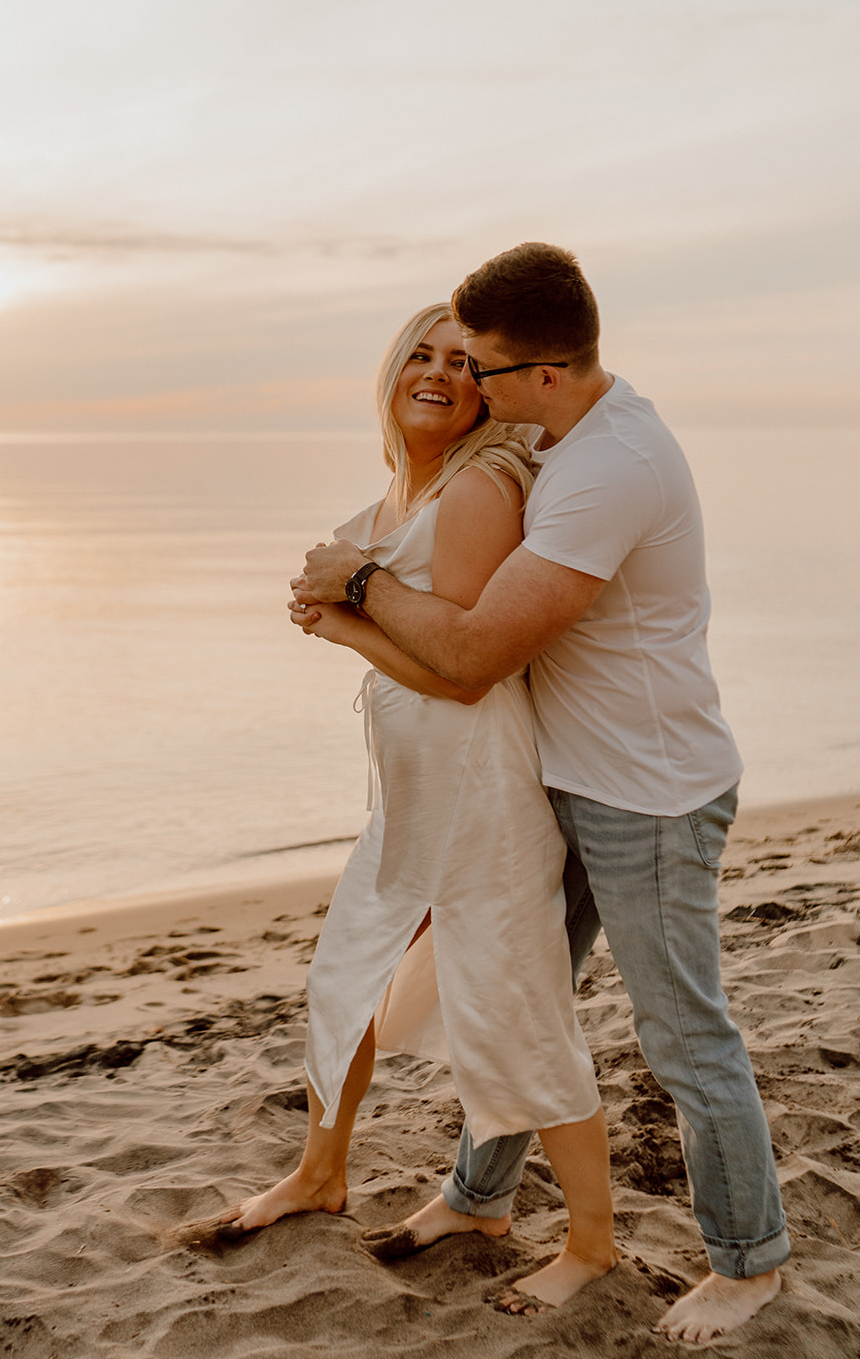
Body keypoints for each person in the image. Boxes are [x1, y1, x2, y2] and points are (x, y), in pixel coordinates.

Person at [295, 242, 788, 1345]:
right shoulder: (555, 438)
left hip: (644, 792)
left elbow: (474, 651)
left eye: (481, 366)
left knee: (681, 1032)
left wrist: (357, 585)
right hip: (556, 771)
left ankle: (748, 1261)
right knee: (513, 989)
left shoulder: (610, 467)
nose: (466, 380)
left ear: (544, 374)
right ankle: (479, 1197)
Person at [215, 303, 617, 1313]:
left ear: (486, 389)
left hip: (482, 789)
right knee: (345, 976)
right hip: (412, 794)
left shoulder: (478, 487)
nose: (436, 372)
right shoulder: (401, 492)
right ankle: (319, 1172)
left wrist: (344, 625)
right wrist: (336, 604)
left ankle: (592, 1243)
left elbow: (467, 672)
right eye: (420, 355)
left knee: (519, 1015)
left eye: (461, 362)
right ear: (392, 370)